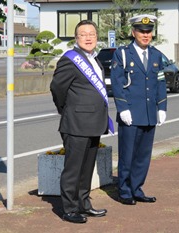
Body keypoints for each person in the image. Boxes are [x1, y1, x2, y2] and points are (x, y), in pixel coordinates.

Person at [50, 20, 113, 223]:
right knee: (73, 169)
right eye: (83, 34)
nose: (88, 38)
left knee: (87, 169)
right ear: (76, 38)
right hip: (76, 123)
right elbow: (57, 89)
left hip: (94, 123)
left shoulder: (95, 59)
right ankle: (69, 209)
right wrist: (66, 110)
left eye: (92, 34)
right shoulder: (69, 59)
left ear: (97, 37)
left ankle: (84, 205)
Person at [110, 14, 167, 205]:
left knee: (143, 155)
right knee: (127, 154)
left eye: (149, 31)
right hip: (131, 114)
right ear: (133, 32)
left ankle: (137, 188)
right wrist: (122, 108)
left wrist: (162, 107)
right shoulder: (123, 53)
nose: (145, 35)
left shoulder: (156, 55)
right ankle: (125, 191)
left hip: (150, 113)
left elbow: (160, 82)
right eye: (141, 31)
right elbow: (117, 83)